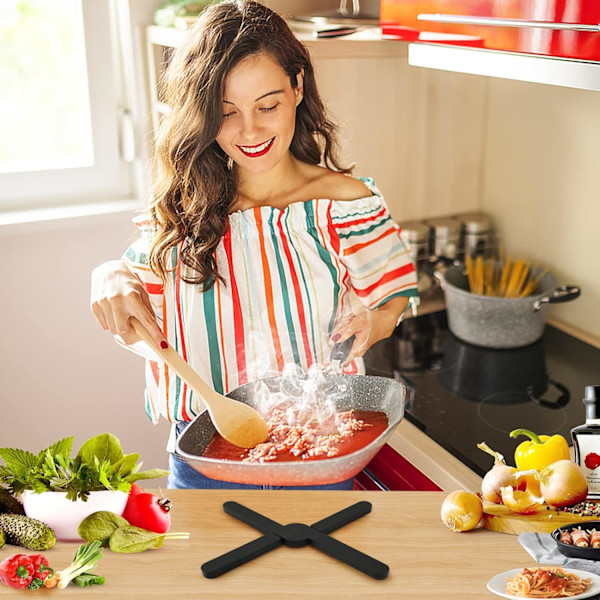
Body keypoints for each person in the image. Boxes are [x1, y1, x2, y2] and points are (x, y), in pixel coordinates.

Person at [90, 0, 418, 490]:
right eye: (226, 113)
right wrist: (108, 274)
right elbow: (138, 322)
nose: (251, 131)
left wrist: (376, 319)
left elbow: (395, 296)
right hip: (207, 458)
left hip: (321, 452)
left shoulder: (346, 204)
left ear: (297, 87)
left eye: (268, 106)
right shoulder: (183, 213)